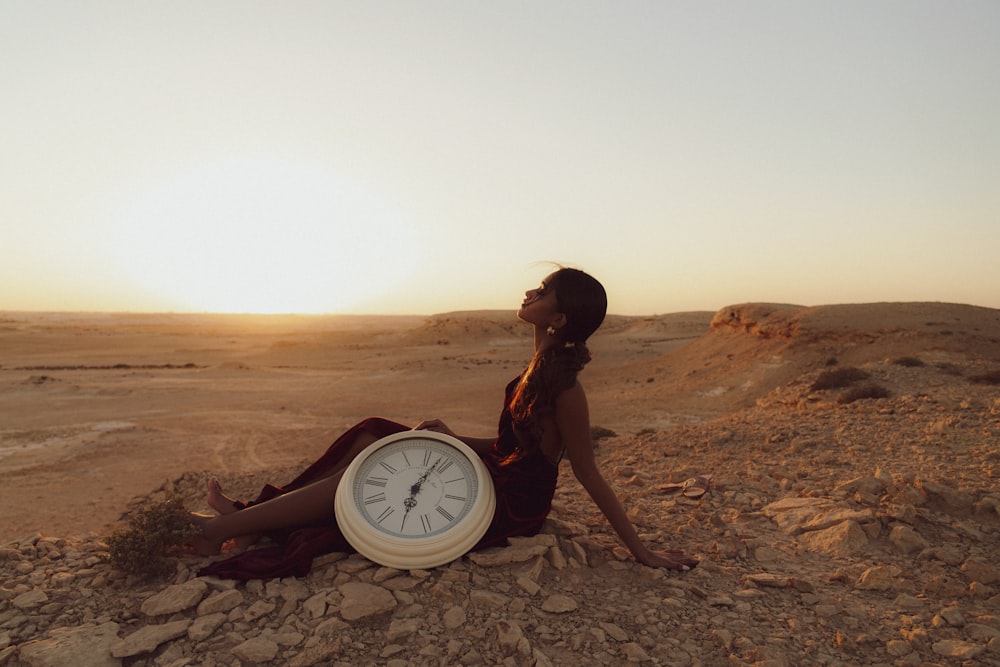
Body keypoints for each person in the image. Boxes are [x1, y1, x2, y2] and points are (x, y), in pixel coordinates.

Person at [191, 267, 699, 579]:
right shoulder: (539, 363)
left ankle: (223, 530)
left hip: (513, 504)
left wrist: (643, 551)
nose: (530, 292)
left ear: (559, 319)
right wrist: (454, 439)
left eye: (543, 291)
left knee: (367, 477)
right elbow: (512, 445)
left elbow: (584, 472)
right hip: (499, 471)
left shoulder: (566, 389)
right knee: (375, 434)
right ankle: (254, 513)